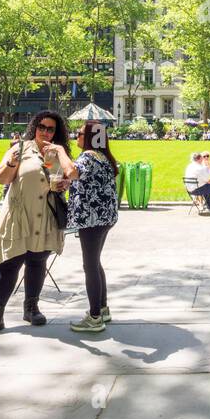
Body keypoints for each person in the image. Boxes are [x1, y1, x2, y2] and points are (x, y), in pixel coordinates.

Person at [0, 111, 68, 339]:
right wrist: (11, 163)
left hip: (45, 215)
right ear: (34, 127)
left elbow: (62, 179)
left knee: (38, 262)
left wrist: (63, 184)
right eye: (42, 127)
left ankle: (31, 307)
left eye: (51, 129)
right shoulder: (19, 148)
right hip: (19, 216)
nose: (46, 132)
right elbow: (2, 179)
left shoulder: (56, 153)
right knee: (9, 264)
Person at [43, 120, 119, 334]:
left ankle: (95, 317)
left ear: (90, 138)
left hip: (92, 219)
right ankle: (102, 309)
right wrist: (71, 184)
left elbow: (73, 172)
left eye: (80, 133)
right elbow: (85, 179)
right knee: (95, 263)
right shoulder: (103, 157)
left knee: (90, 266)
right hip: (104, 218)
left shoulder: (88, 156)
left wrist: (59, 149)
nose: (77, 136)